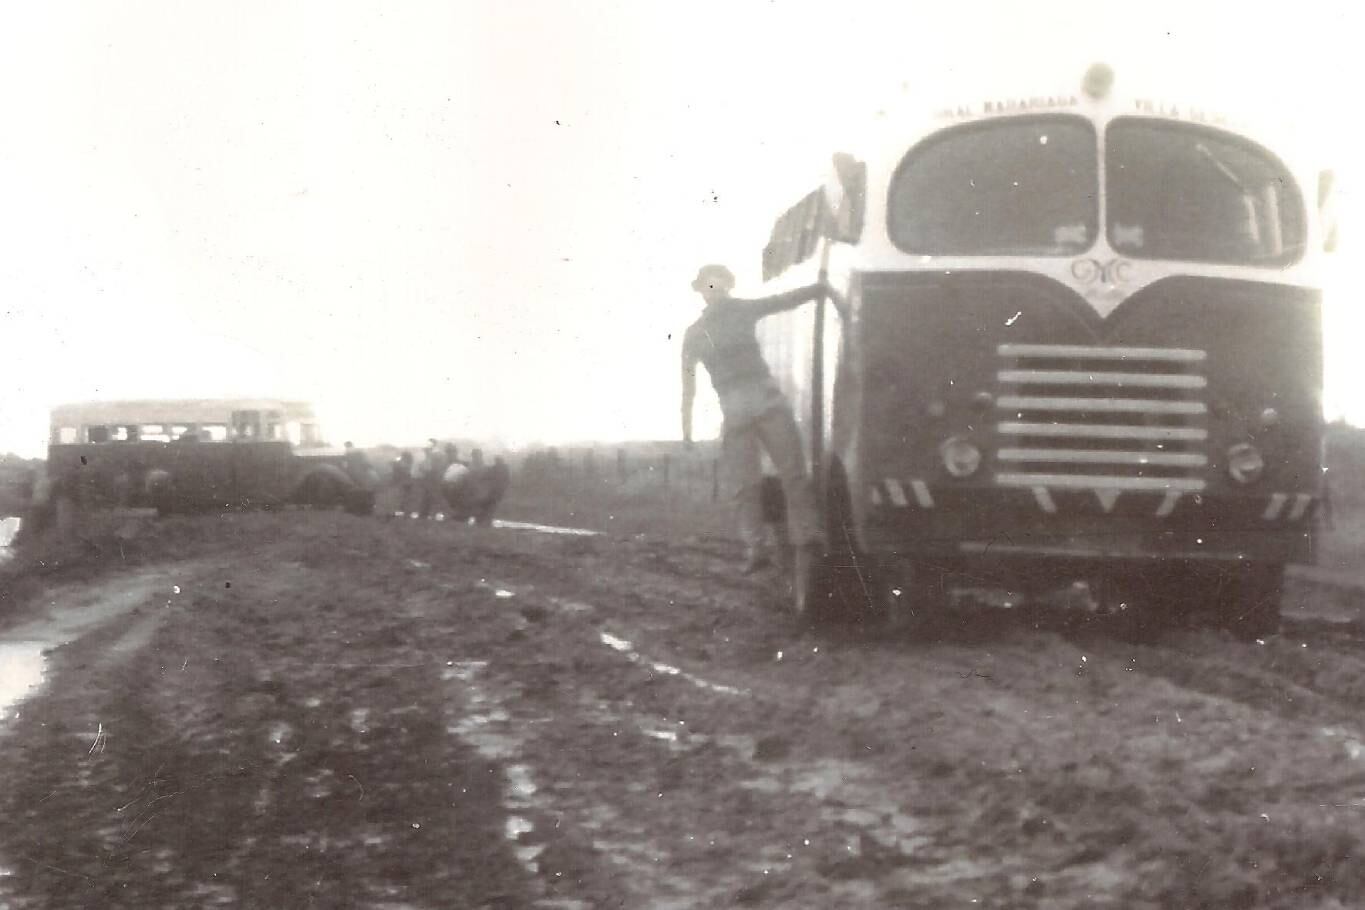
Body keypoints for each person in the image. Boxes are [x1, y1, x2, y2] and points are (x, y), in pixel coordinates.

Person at [680, 263, 831, 573]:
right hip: (745, 402)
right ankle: (763, 546)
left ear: (726, 287)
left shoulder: (726, 317)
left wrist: (820, 289)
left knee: (785, 473)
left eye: (719, 284)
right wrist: (686, 429)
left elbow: (784, 300)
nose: (716, 291)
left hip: (754, 400)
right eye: (710, 286)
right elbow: (688, 385)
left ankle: (801, 538)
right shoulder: (696, 332)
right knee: (759, 480)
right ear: (702, 292)